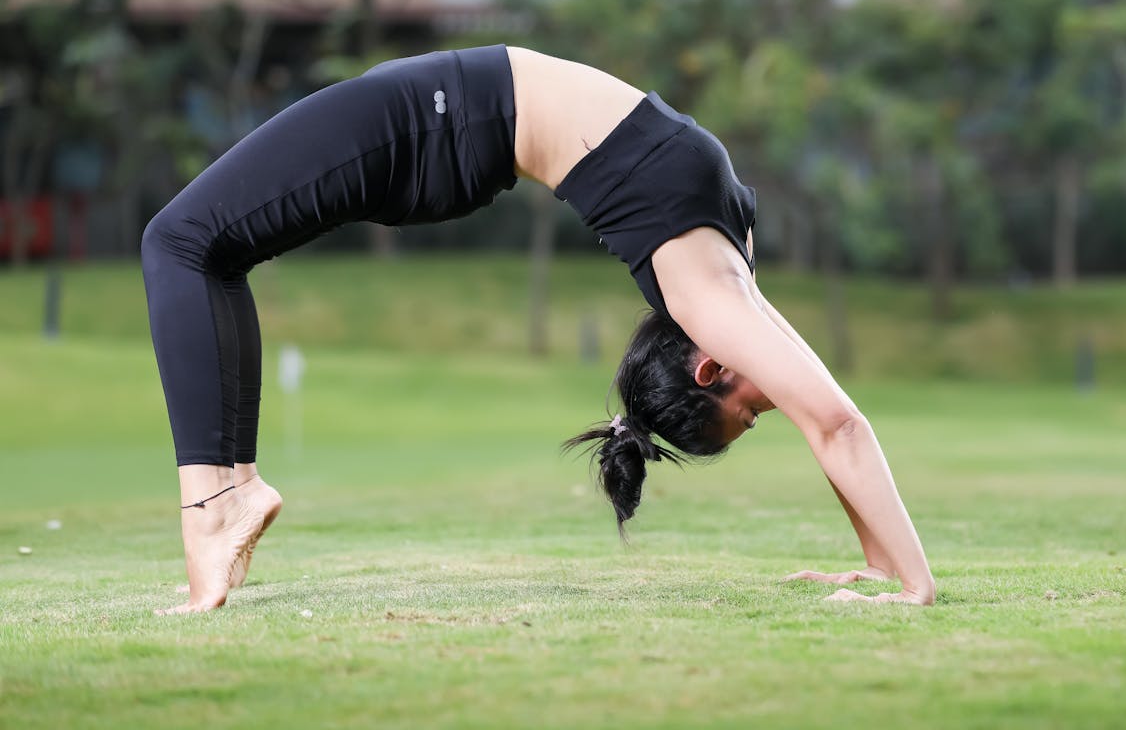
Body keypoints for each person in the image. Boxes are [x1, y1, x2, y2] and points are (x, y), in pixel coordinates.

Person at [141, 45, 935, 614]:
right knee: (195, 245)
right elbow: (832, 419)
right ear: (708, 369)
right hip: (441, 117)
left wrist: (898, 574)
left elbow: (825, 416)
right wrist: (893, 571)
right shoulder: (717, 289)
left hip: (438, 125)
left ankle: (220, 499)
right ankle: (226, 493)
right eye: (753, 411)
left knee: (182, 243)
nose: (776, 398)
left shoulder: (708, 286)